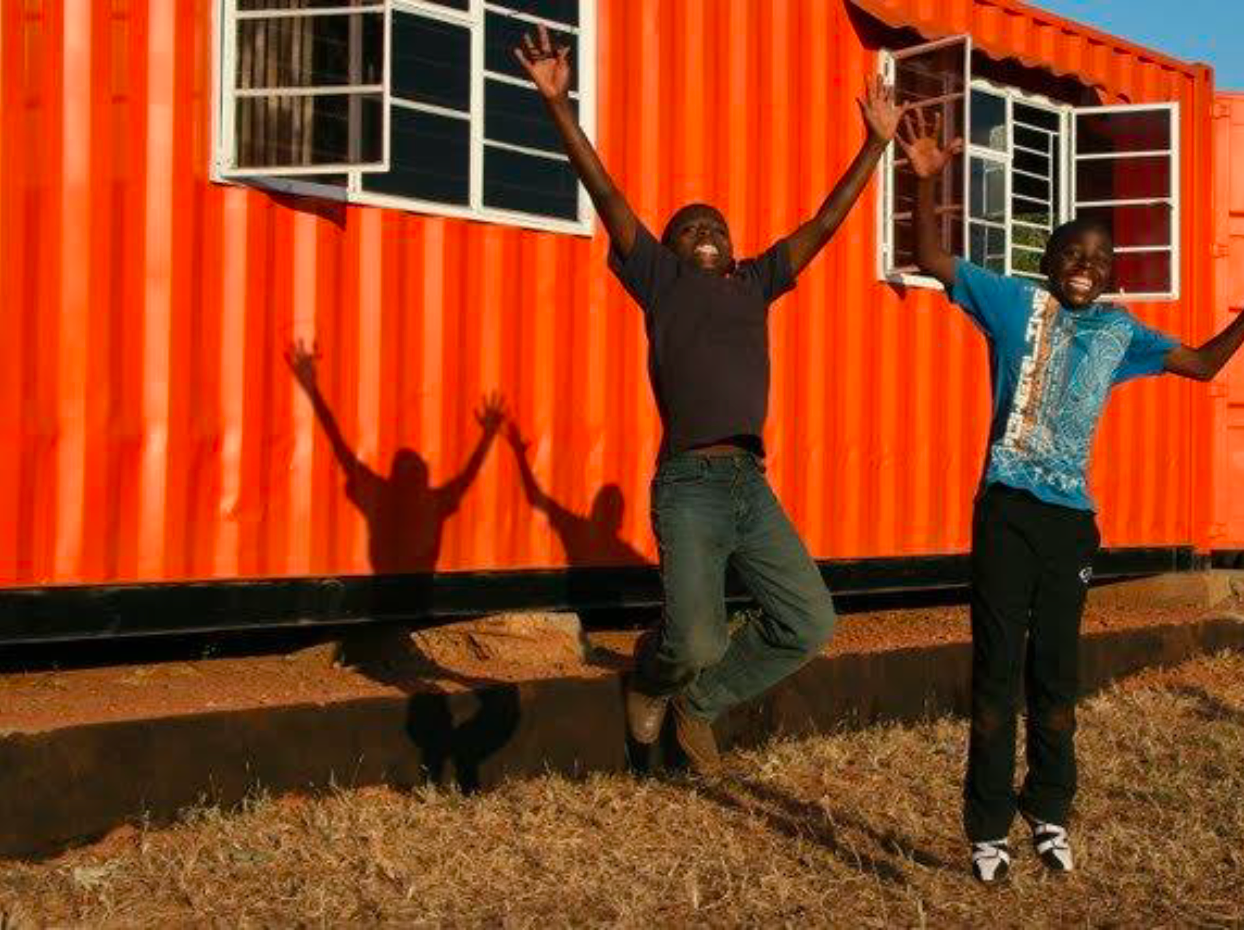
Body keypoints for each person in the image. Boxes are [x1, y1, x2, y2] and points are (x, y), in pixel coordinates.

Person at [515, 26, 906, 773]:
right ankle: (654, 676)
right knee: (694, 639)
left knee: (810, 620)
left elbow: (825, 224)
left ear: (733, 247)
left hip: (750, 486)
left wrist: (876, 145)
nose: (704, 232)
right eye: (689, 226)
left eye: (716, 228)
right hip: (690, 485)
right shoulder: (659, 280)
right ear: (665, 247)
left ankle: (699, 703)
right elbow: (605, 192)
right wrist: (559, 105)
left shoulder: (756, 281)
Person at [896, 109, 1244, 882]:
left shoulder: (1124, 334)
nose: (1084, 264)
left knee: (1055, 676)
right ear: (1048, 258)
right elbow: (929, 255)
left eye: (1099, 258)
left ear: (1114, 275)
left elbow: (1205, 365)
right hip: (1007, 512)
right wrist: (924, 183)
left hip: (1071, 526)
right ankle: (987, 827)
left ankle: (1048, 812)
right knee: (996, 673)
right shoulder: (1013, 303)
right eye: (1071, 252)